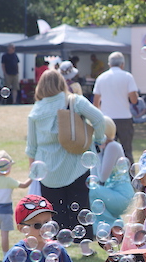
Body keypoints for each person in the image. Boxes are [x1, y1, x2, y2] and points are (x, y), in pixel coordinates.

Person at [26, 69, 106, 236]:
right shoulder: (74, 100)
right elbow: (98, 119)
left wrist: (34, 171)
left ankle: (57, 246)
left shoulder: (35, 110)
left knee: (54, 210)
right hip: (77, 163)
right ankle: (83, 246)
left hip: (47, 170)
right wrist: (98, 140)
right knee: (81, 205)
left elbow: (32, 146)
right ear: (61, 83)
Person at [0, 150, 32, 260]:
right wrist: (33, 176)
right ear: (7, 168)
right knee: (4, 235)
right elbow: (24, 185)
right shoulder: (8, 181)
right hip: (5, 212)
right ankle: (5, 255)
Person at [93, 52, 140, 162]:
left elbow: (95, 103)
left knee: (106, 151)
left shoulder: (101, 78)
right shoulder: (128, 77)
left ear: (109, 64)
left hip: (107, 120)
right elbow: (134, 100)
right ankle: (130, 177)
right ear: (122, 64)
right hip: (124, 118)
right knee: (127, 151)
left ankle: (105, 176)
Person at [89, 117, 134, 227]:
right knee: (91, 189)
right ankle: (105, 226)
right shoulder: (105, 148)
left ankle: (110, 225)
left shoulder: (112, 146)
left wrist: (97, 152)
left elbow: (102, 177)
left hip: (122, 196)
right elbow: (94, 177)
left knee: (92, 191)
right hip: (113, 194)